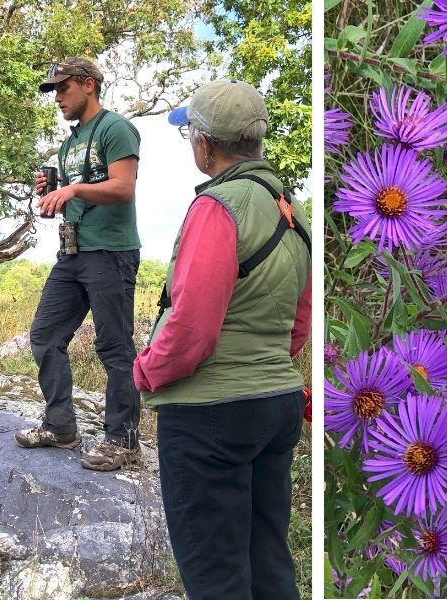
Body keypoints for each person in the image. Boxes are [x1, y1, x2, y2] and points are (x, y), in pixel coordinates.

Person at [132, 79, 311, 600]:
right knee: (268, 563)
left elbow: (191, 330)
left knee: (216, 578)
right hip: (275, 404)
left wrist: (145, 371)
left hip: (210, 417)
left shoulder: (218, 206)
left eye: (190, 134)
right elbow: (297, 328)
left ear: (205, 144)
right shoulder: (290, 210)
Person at [14, 57, 143, 472]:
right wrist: (53, 195)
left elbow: (122, 188)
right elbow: (77, 195)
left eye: (63, 88)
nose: (57, 98)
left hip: (110, 252)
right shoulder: (70, 143)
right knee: (45, 335)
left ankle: (123, 440)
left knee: (114, 346)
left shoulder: (115, 128)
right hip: (72, 253)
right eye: (53, 91)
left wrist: (71, 190)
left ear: (88, 85)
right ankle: (61, 427)